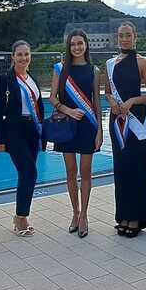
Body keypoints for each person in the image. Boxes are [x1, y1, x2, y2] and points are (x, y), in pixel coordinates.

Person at [49, 29, 102, 238]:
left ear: (86, 45)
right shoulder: (60, 69)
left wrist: (100, 130)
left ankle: (84, 216)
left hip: (88, 126)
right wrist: (68, 110)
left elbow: (97, 101)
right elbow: (52, 98)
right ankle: (75, 212)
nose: (77, 47)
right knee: (71, 172)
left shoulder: (94, 71)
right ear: (69, 47)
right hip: (66, 126)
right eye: (73, 44)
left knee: (86, 173)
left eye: (80, 43)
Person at [106, 22, 146, 238]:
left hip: (136, 121)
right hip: (117, 120)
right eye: (121, 36)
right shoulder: (109, 63)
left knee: (138, 169)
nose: (124, 39)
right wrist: (112, 103)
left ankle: (137, 217)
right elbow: (107, 91)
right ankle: (124, 215)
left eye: (128, 35)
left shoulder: (143, 63)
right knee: (122, 169)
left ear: (135, 36)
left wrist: (133, 100)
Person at [0, 40, 45, 237]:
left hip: (33, 130)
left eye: (26, 54)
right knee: (29, 172)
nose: (23, 58)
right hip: (14, 131)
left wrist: (43, 134)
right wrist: (0, 140)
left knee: (28, 174)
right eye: (20, 54)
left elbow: (39, 107)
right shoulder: (4, 80)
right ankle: (21, 217)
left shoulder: (32, 79)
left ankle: (21, 215)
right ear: (13, 56)